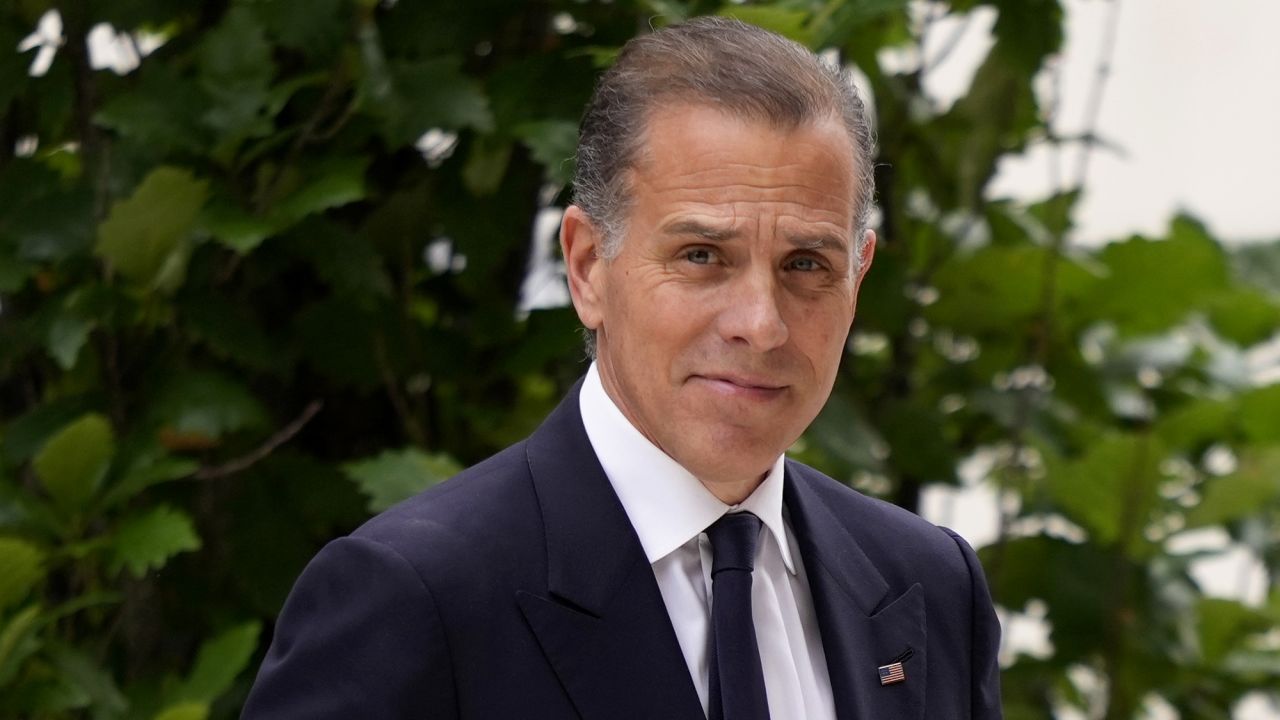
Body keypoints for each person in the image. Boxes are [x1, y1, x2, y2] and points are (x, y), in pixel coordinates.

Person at [243, 16, 1002, 720]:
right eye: (702, 256)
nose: (761, 325)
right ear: (586, 268)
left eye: (806, 263)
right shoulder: (415, 598)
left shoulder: (929, 585)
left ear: (858, 278)